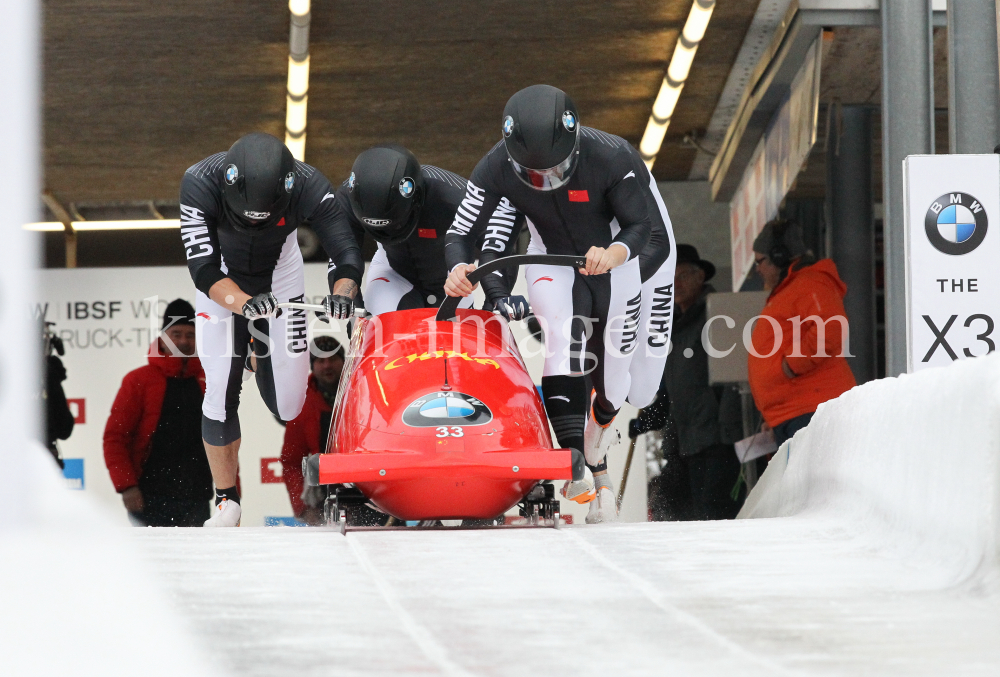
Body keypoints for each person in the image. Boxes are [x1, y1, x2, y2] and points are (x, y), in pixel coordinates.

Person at [444, 84, 676, 523]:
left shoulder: (613, 156)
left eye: (556, 169)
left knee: (634, 386)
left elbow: (648, 233)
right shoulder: (493, 168)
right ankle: (573, 459)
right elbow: (466, 235)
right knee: (563, 335)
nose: (544, 181)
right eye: (531, 174)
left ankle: (598, 437)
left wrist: (613, 261)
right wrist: (460, 271)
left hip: (633, 255)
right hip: (556, 255)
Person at [180, 132, 363, 527]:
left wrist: (343, 292)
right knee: (217, 392)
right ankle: (227, 501)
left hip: (281, 276)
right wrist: (244, 305)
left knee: (289, 407)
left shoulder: (310, 184)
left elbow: (345, 251)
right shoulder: (199, 182)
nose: (252, 221)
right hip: (222, 282)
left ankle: (254, 352)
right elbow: (203, 269)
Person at [628, 245, 743, 520]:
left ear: (700, 276)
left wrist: (729, 431)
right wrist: (650, 418)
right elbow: (673, 391)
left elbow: (733, 381)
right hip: (686, 442)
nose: (676, 284)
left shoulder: (717, 316)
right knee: (679, 512)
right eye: (671, 278)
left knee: (713, 513)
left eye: (683, 276)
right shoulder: (674, 327)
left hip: (717, 441)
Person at [333, 145, 515, 314]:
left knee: (457, 346)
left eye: (394, 223)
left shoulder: (452, 195)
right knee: (383, 334)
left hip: (452, 282)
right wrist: (352, 309)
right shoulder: (346, 199)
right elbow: (344, 255)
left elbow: (499, 244)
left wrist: (493, 303)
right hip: (392, 273)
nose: (389, 232)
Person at [103, 299, 213, 526]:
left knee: (199, 562)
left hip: (198, 499)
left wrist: (231, 489)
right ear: (163, 337)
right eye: (176, 333)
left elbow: (223, 439)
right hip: (148, 498)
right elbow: (115, 438)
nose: (183, 341)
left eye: (190, 335)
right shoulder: (138, 381)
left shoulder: (209, 381)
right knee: (152, 563)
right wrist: (127, 486)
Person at [749, 219, 856, 446]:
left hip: (810, 410)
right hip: (795, 412)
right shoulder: (792, 289)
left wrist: (791, 366)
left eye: (760, 261)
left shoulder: (809, 282)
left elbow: (830, 329)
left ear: (778, 257)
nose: (757, 269)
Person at [280, 336, 344, 525]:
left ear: (343, 361)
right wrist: (304, 509)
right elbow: (291, 462)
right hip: (325, 501)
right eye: (320, 361)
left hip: (370, 495)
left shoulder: (364, 393)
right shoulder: (303, 405)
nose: (327, 366)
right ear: (312, 365)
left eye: (332, 359)